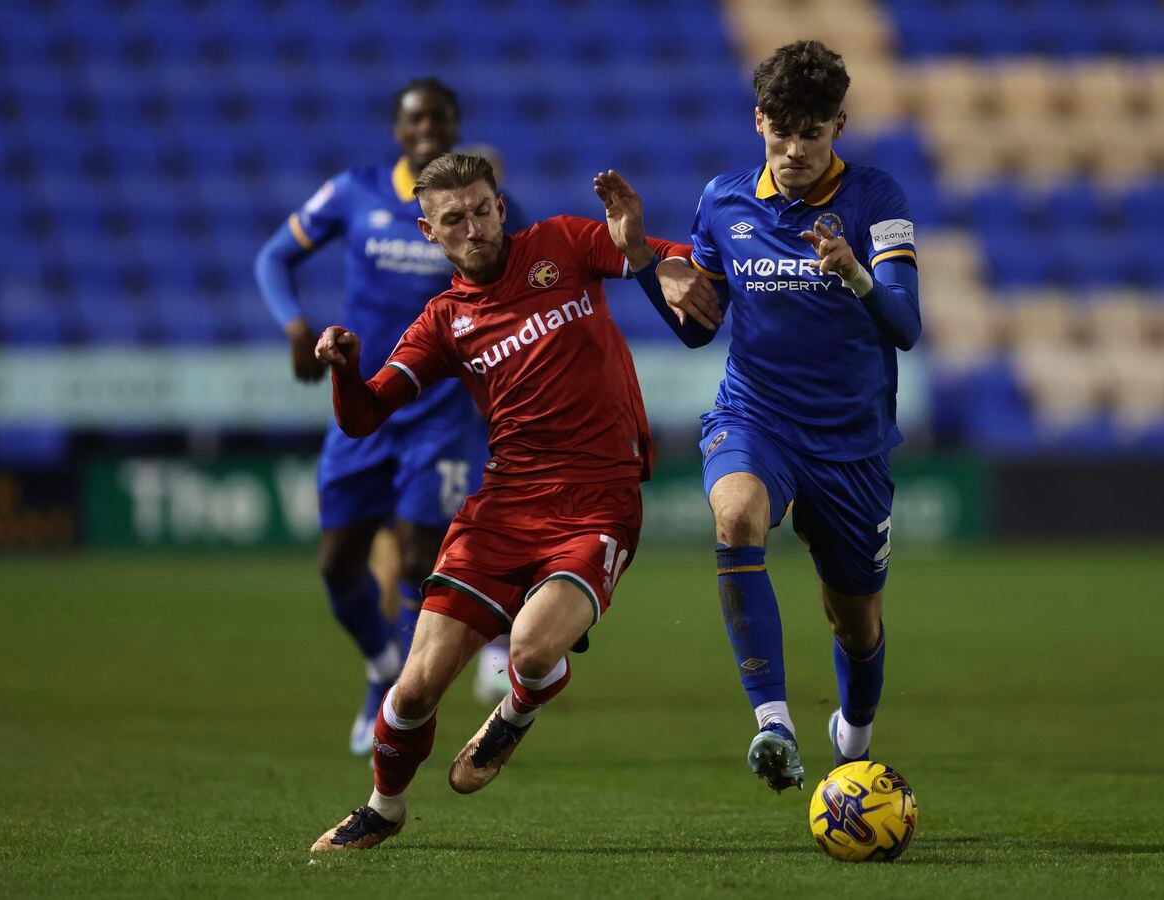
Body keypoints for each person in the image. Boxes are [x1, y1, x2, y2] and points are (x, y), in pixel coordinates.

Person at [308, 152, 690, 851]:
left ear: (501, 207)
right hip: (505, 504)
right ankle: (383, 809)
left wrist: (643, 249)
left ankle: (516, 710)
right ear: (429, 232)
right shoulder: (445, 321)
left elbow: (669, 257)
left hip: (599, 498)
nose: (475, 227)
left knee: (532, 647)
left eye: (483, 210)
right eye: (455, 219)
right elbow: (364, 416)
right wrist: (342, 371)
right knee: (416, 687)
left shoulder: (563, 245)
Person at [610, 40, 921, 792]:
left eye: (811, 133)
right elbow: (697, 327)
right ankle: (773, 723)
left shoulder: (877, 200)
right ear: (759, 122)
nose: (794, 149)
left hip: (851, 442)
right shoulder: (723, 200)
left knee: (856, 623)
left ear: (838, 126)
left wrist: (852, 273)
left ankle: (854, 734)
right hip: (757, 416)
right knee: (736, 516)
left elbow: (906, 325)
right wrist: (647, 265)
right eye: (781, 131)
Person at [253, 79, 509, 759]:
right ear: (398, 129)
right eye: (415, 117)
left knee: (421, 558)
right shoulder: (352, 192)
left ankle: (398, 700)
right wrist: (294, 325)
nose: (427, 125)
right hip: (361, 409)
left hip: (440, 414)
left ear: (456, 125)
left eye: (440, 116)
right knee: (338, 565)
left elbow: (530, 277)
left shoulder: (473, 210)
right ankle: (381, 664)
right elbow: (273, 257)